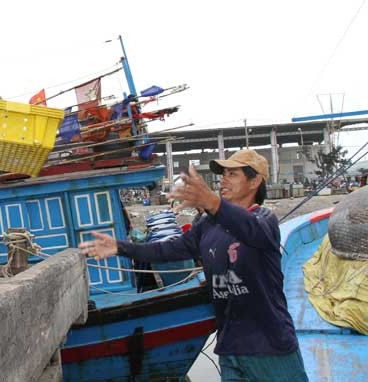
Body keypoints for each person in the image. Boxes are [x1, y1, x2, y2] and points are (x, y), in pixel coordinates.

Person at [79, 149, 309, 382]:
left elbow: (248, 227)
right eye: (222, 174)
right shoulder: (208, 226)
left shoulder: (264, 221)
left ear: (255, 181)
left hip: (270, 347)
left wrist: (212, 202)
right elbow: (167, 249)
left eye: (232, 174)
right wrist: (121, 247)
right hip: (230, 349)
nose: (223, 179)